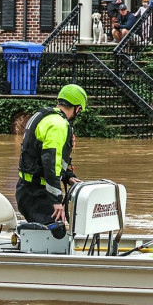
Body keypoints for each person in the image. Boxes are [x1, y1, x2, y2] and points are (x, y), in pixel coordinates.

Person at [15, 84, 88, 225]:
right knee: (55, 234)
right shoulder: (58, 125)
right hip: (37, 193)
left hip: (28, 189)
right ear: (77, 108)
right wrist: (56, 200)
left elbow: (45, 156)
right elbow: (50, 161)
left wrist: (68, 176)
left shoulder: (45, 116)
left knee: (51, 231)